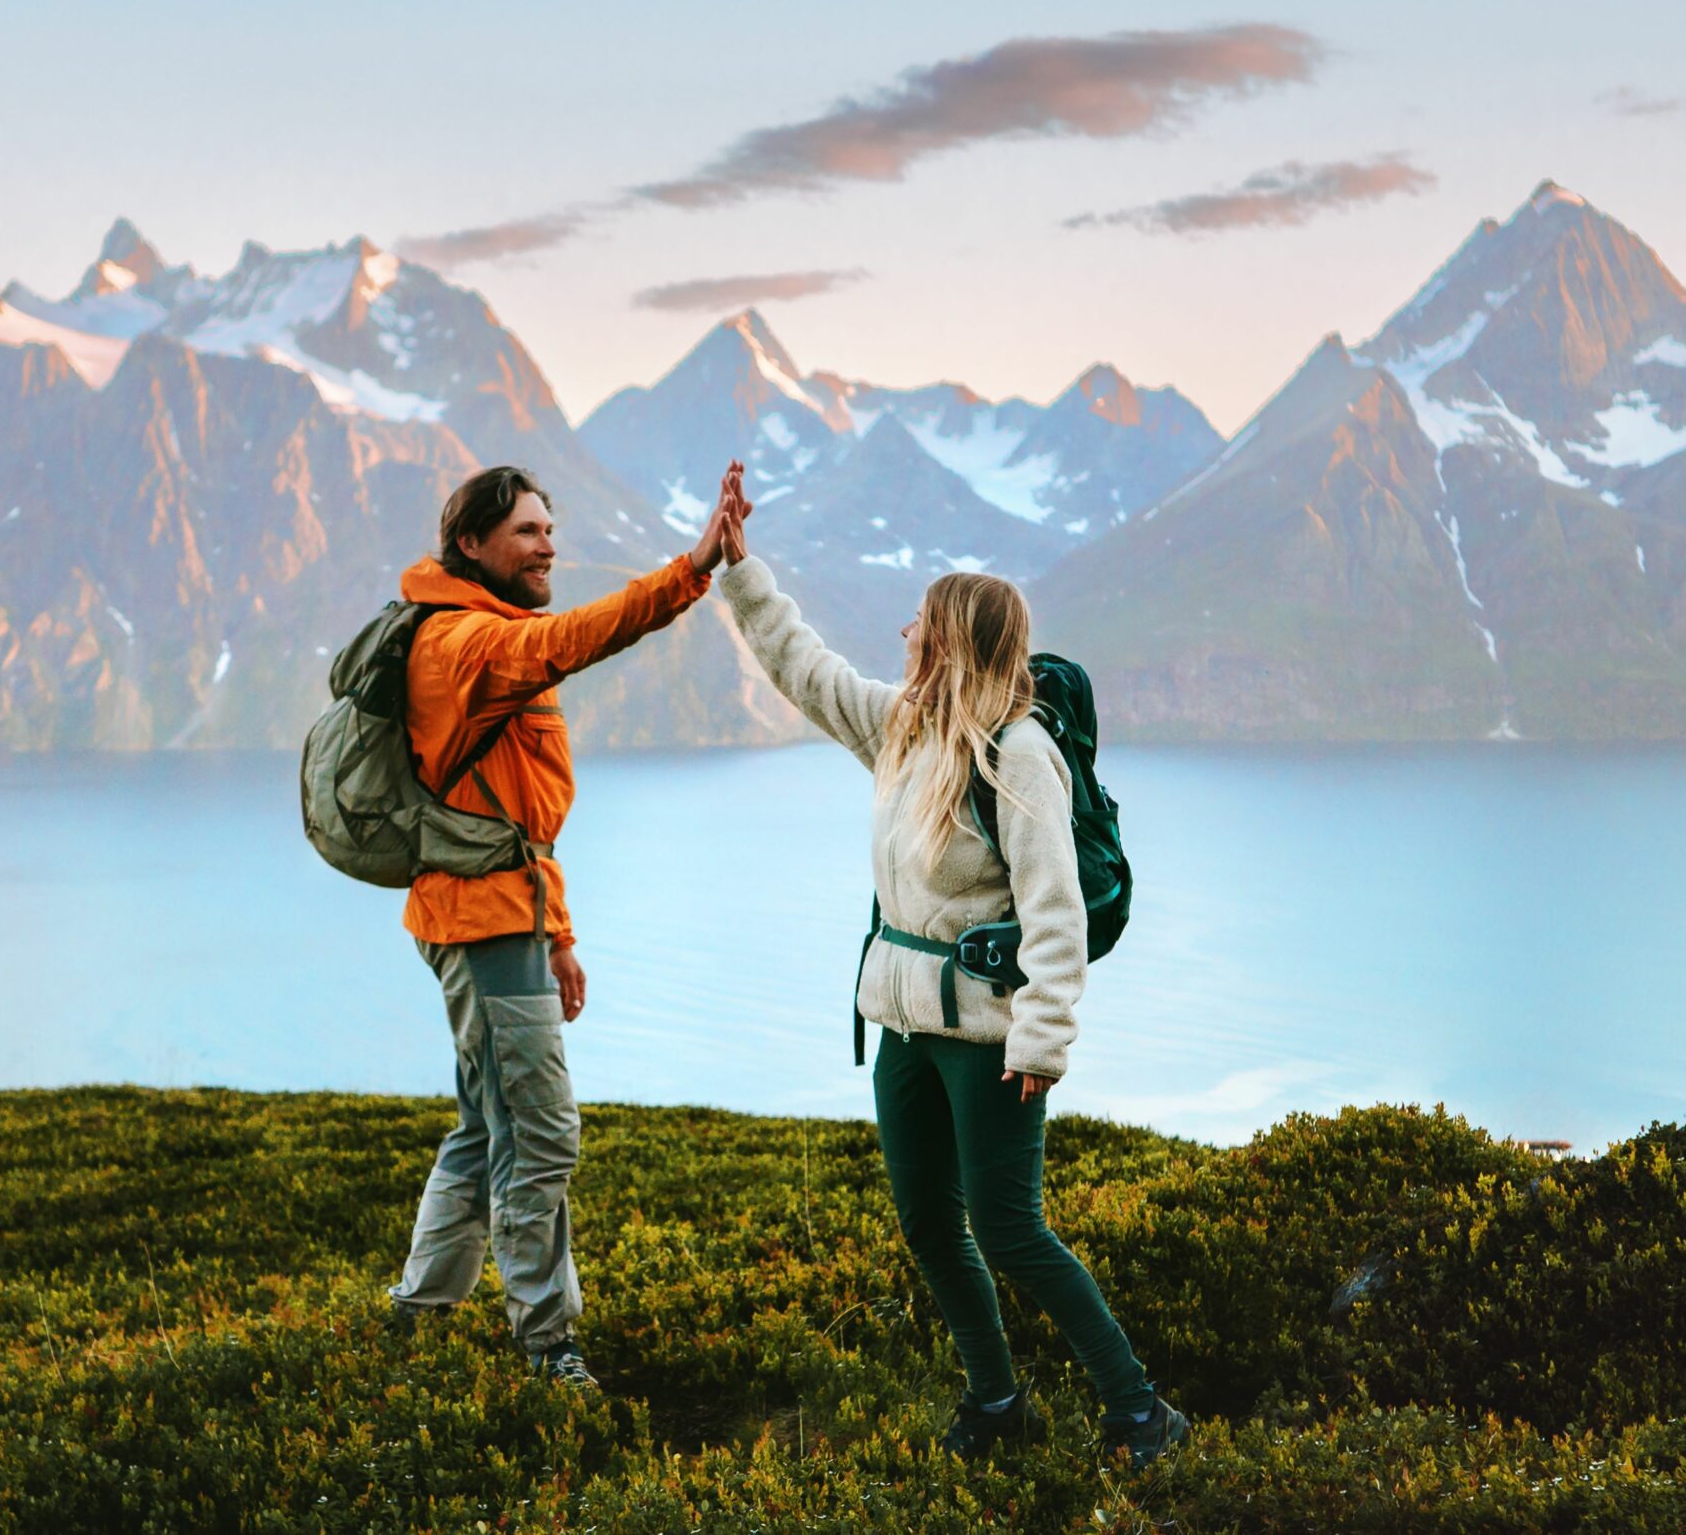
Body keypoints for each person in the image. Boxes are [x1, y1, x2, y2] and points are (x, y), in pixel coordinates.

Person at [709, 472, 1190, 1466]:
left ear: (952, 641)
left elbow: (1054, 910)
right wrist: (738, 567)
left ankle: (1140, 1409)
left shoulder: (1019, 756)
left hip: (986, 1040)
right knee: (931, 1225)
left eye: (919, 626)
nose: (902, 639)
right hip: (905, 1029)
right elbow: (805, 669)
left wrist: (1042, 1041)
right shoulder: (904, 729)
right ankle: (996, 1401)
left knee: (1011, 1231)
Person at [388, 461, 740, 1391]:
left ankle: (417, 1315)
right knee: (540, 1135)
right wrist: (691, 566)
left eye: (549, 529)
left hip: (499, 912)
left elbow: (515, 811)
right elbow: (578, 640)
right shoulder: (468, 644)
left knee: (485, 1124)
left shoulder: (479, 631)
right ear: (473, 546)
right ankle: (548, 1348)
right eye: (527, 534)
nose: (550, 546)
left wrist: (561, 934)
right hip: (482, 923)